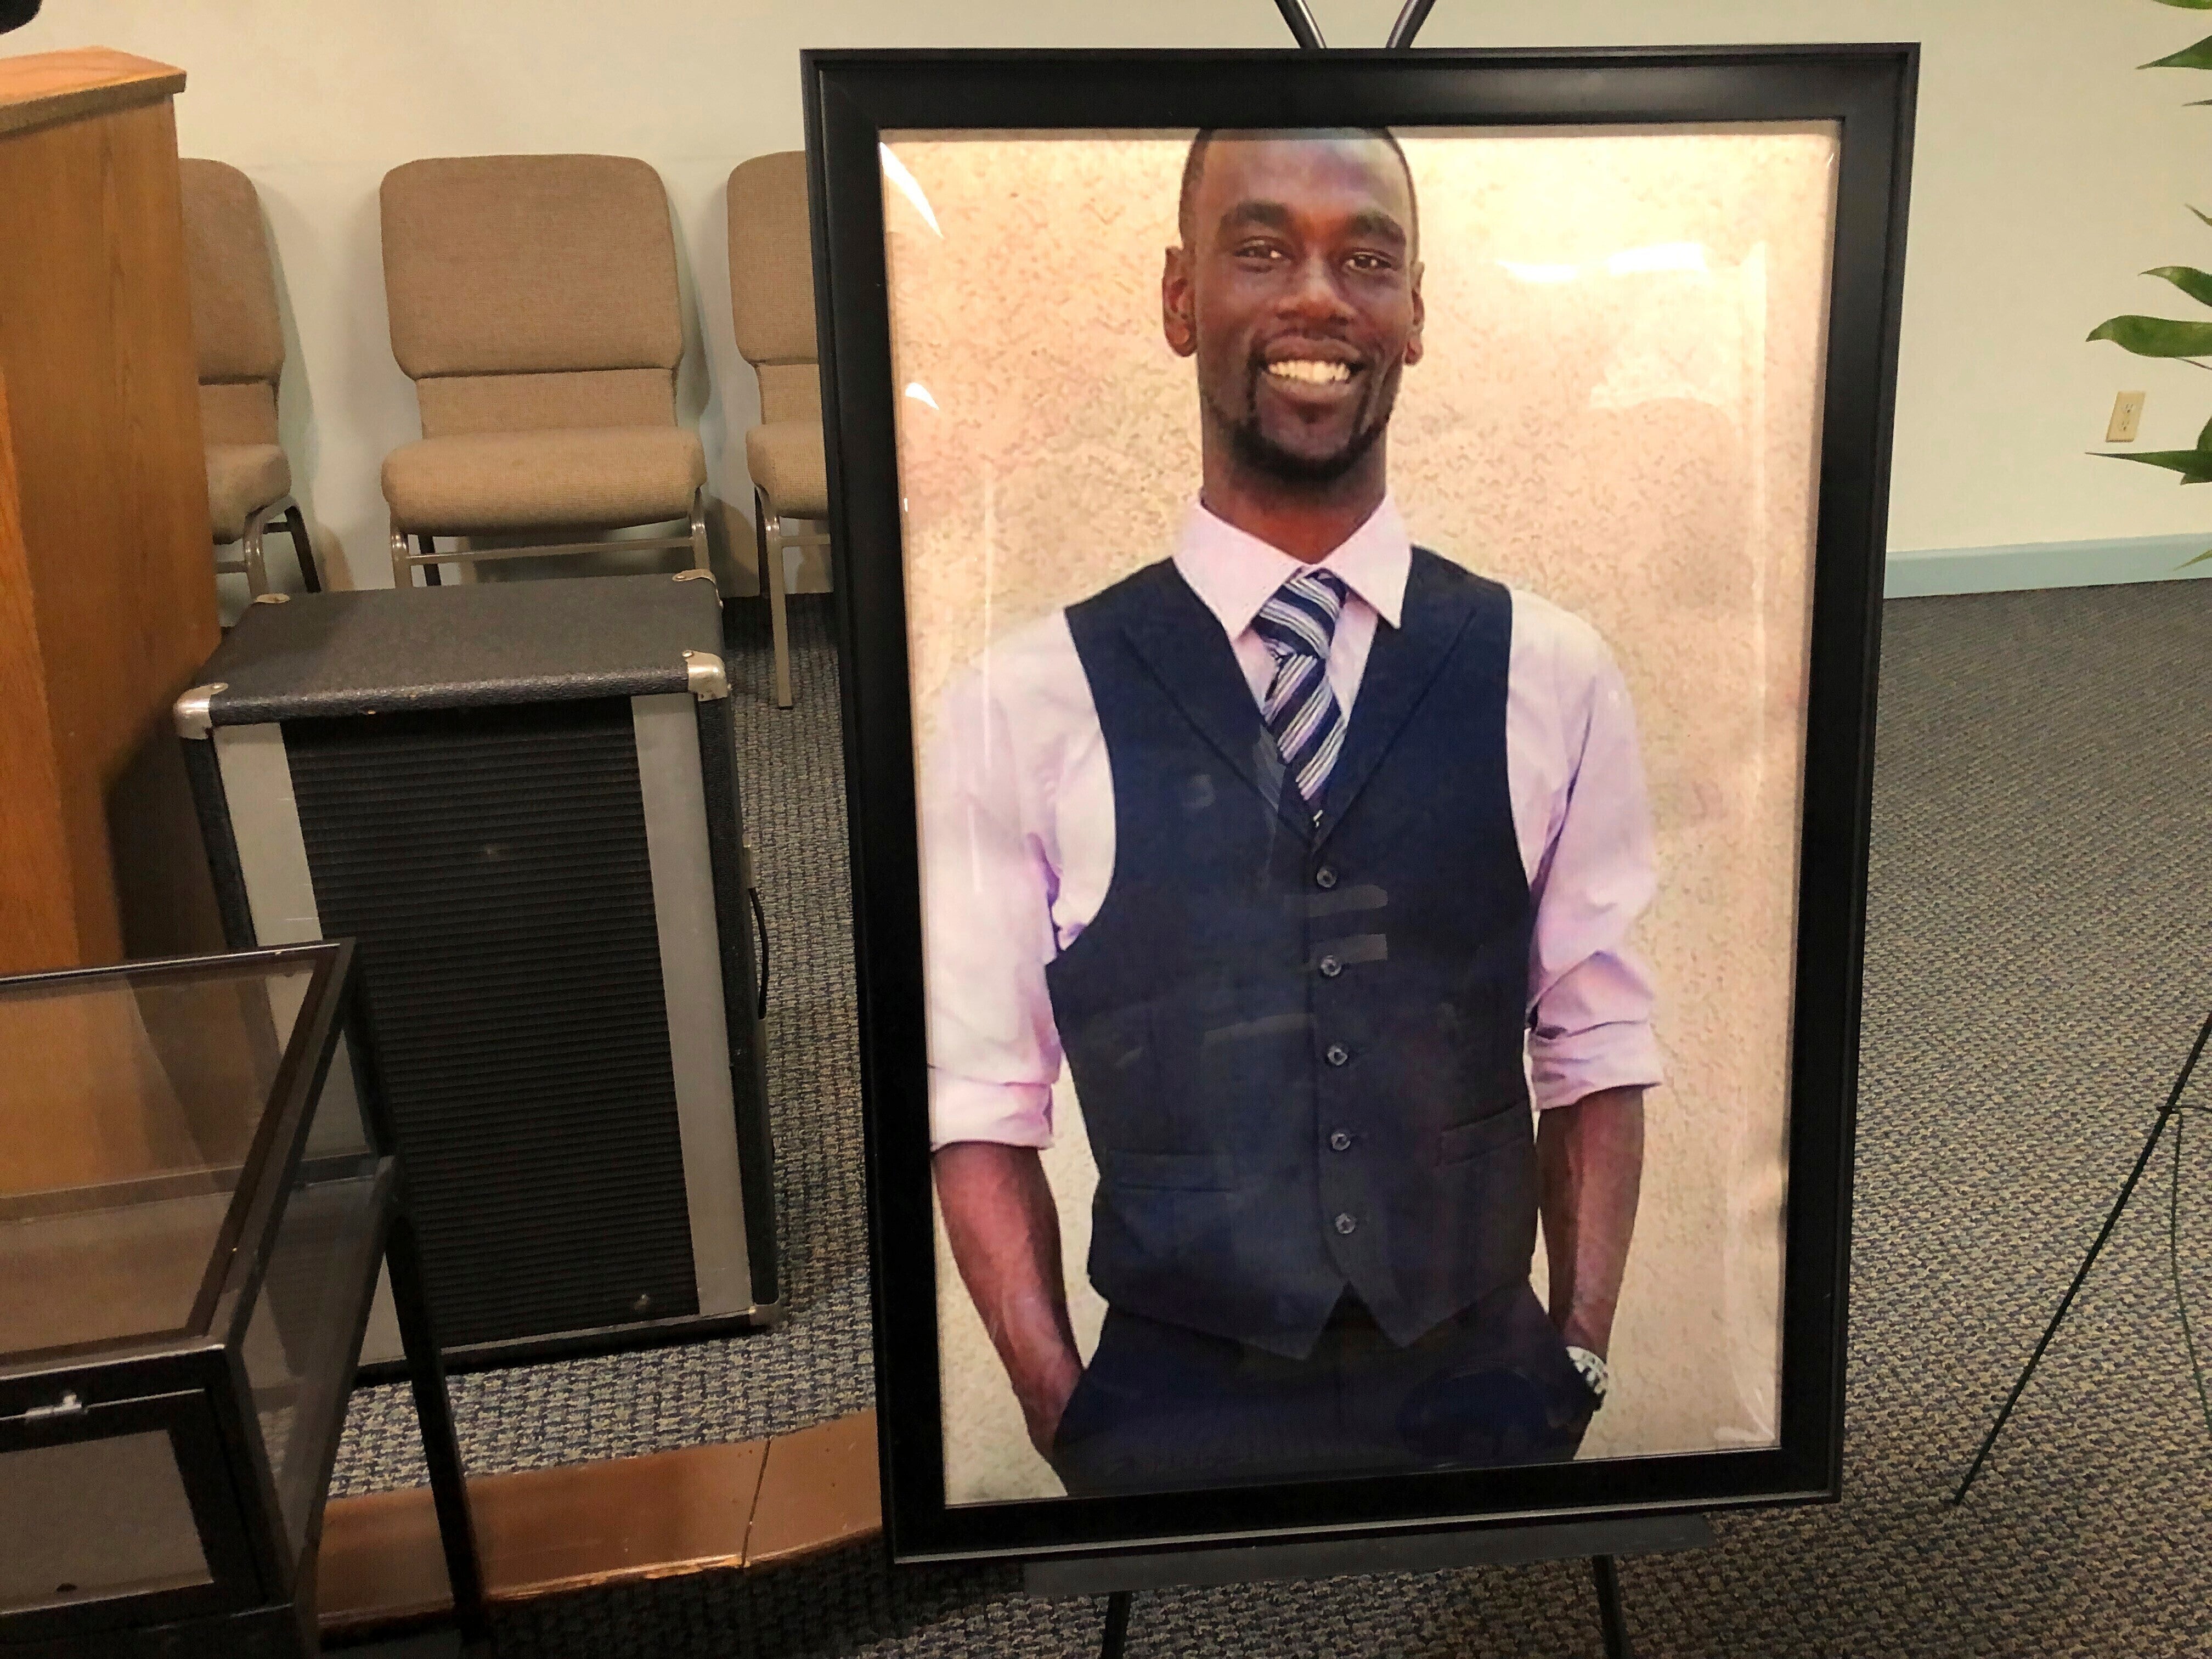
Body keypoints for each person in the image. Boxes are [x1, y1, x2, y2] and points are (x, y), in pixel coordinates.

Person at [922, 127, 1662, 1496]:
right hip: (1168, 1384)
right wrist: (1060, 1410)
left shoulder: (1556, 672)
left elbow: (1598, 1040)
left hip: (1483, 1367)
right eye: (1262, 249)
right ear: (1178, 298)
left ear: (1417, 316)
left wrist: (1582, 1354)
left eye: (1367, 257)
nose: (1319, 297)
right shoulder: (1017, 702)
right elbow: (980, 1096)